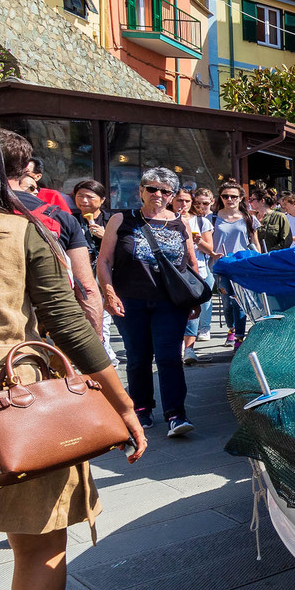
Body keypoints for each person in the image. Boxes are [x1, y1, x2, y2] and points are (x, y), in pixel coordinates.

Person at [0, 181, 146, 590]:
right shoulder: (19, 230)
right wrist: (124, 404)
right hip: (17, 410)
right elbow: (65, 319)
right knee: (37, 546)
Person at [96, 166, 203, 442]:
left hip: (170, 303)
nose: (158, 194)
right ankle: (141, 408)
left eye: (165, 191)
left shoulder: (181, 223)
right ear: (141, 190)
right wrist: (108, 292)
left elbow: (191, 264)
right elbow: (105, 260)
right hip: (131, 300)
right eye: (152, 188)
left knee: (169, 358)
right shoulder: (121, 219)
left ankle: (176, 414)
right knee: (138, 357)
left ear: (172, 195)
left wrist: (195, 299)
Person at [0, 134, 105, 337]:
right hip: (38, 325)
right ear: (23, 170)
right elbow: (86, 288)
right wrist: (96, 342)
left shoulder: (55, 205)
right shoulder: (58, 217)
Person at [209, 184, 258, 345]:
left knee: (239, 302)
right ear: (220, 198)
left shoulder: (248, 218)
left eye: (233, 196)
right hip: (221, 266)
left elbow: (254, 242)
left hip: (242, 265)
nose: (229, 199)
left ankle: (239, 337)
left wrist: (259, 262)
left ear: (240, 198)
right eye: (225, 196)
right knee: (227, 303)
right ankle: (231, 328)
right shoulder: (212, 218)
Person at [180, 186, 218, 360]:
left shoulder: (202, 222)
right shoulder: (165, 219)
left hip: (198, 271)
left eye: (187, 201)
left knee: (194, 308)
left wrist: (199, 241)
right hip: (172, 271)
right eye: (180, 200)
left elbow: (210, 249)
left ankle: (189, 348)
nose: (183, 204)